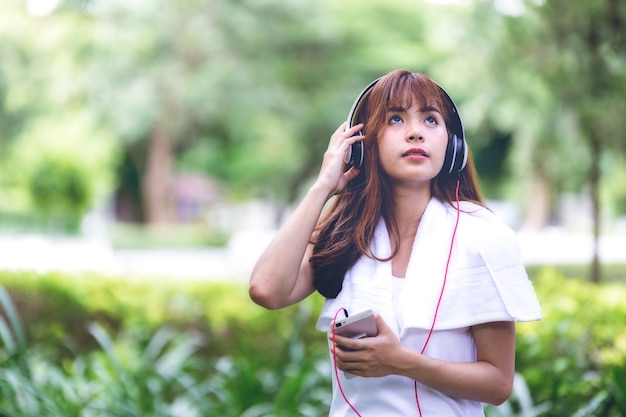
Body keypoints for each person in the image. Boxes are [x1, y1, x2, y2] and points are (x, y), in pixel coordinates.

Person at [249, 69, 541, 416]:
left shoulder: (482, 235)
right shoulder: (344, 235)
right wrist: (322, 187)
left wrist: (402, 362)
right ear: (363, 142)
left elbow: (498, 384)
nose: (416, 132)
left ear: (453, 145)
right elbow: (267, 290)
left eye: (431, 120)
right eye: (396, 119)